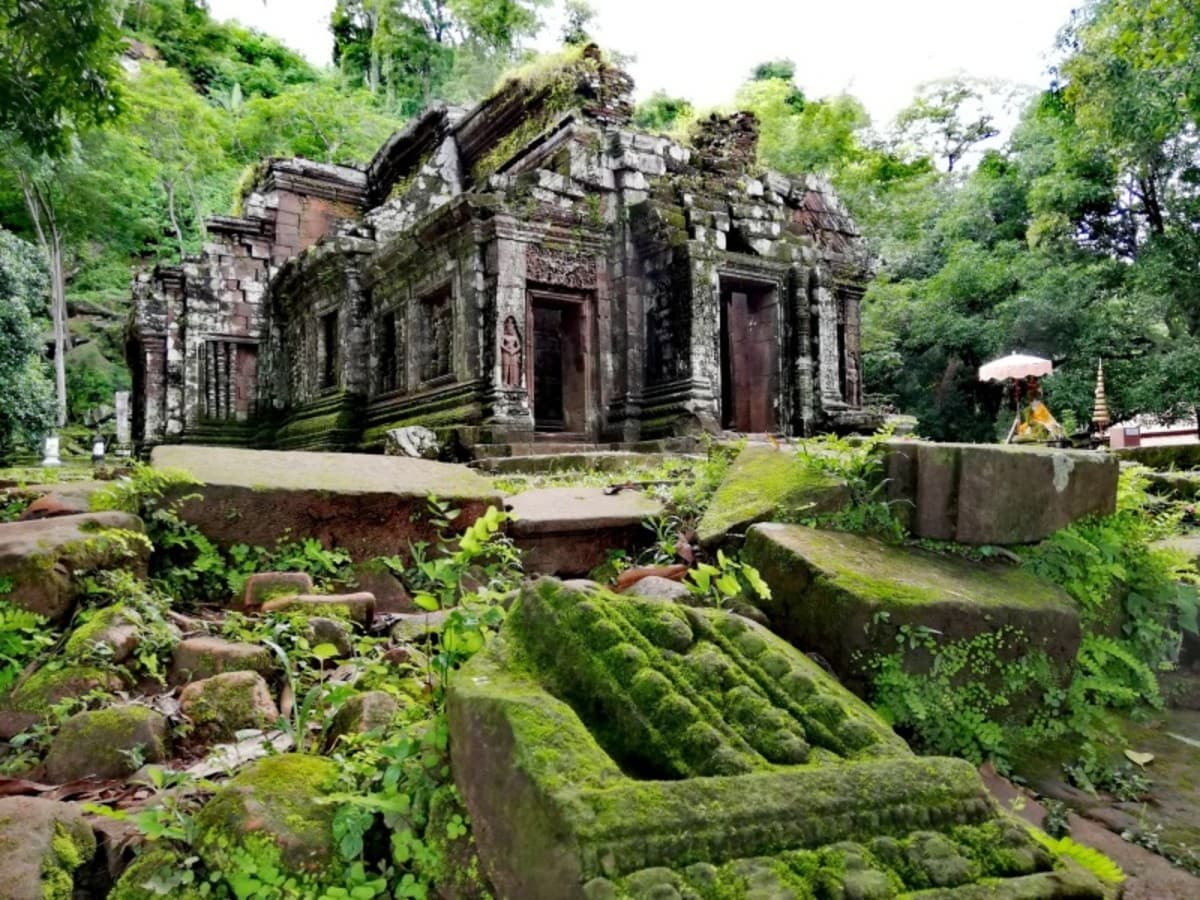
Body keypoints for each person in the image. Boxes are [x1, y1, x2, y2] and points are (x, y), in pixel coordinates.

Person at [500, 316, 522, 388]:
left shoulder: (515, 337)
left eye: (511, 324)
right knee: (506, 366)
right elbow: (501, 345)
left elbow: (519, 346)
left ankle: (514, 382)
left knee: (514, 367)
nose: (510, 326)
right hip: (506, 352)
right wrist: (508, 350)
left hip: (513, 353)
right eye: (508, 323)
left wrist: (514, 351)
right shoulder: (504, 336)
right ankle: (505, 381)